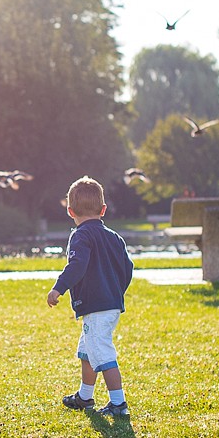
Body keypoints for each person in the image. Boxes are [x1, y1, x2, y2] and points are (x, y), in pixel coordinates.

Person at [46, 176, 135, 416]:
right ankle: (85, 396)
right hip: (111, 304)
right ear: (103, 209)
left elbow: (77, 265)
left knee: (102, 352)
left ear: (70, 210)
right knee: (87, 350)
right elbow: (128, 268)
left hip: (97, 306)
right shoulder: (116, 237)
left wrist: (58, 288)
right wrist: (116, 291)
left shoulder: (80, 235)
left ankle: (119, 403)